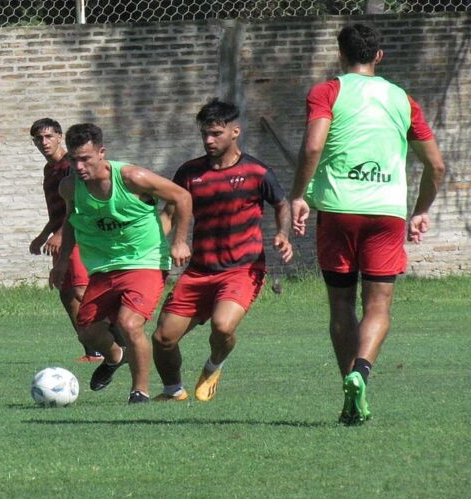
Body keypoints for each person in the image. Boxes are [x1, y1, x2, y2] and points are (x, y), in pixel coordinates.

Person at [290, 24, 445, 425]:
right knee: (377, 305)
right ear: (379, 56)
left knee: (341, 304)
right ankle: (361, 372)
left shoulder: (328, 92)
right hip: (386, 213)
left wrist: (298, 195)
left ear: (340, 54)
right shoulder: (403, 100)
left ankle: (349, 386)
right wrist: (421, 209)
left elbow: (313, 145)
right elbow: (436, 165)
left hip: (338, 211)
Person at [151, 98, 293, 402]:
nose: (209, 140)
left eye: (216, 133)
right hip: (199, 271)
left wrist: (283, 234)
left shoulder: (256, 171)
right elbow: (169, 213)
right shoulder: (189, 172)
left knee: (222, 325)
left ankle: (214, 366)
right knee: (162, 338)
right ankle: (173, 390)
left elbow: (282, 204)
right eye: (205, 133)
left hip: (242, 269)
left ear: (235, 132)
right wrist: (156, 245)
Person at [49, 123, 193, 404]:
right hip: (103, 267)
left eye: (85, 159)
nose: (79, 167)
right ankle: (116, 356)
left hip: (145, 261)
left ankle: (139, 392)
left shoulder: (131, 177)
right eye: (74, 160)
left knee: (129, 324)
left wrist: (179, 241)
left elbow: (182, 196)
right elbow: (71, 221)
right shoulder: (70, 187)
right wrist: (62, 262)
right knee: (87, 331)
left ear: (101, 152)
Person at [28, 118, 103, 362]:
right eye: (39, 138)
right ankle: (92, 350)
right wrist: (43, 235)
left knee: (81, 290)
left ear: (60, 137)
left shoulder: (71, 166)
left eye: (49, 136)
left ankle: (117, 340)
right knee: (67, 293)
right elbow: (57, 212)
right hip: (61, 235)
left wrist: (60, 234)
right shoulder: (48, 170)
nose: (44, 142)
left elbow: (78, 206)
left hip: (78, 235)